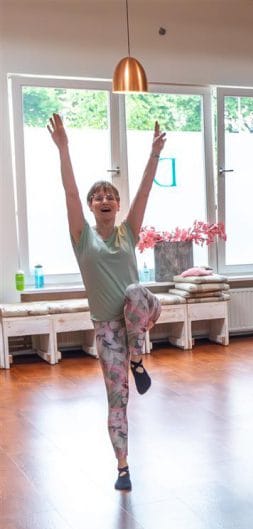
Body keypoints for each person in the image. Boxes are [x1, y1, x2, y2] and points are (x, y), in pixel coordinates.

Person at [48, 113, 165, 491]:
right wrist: (64, 148)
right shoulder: (82, 238)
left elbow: (145, 192)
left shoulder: (128, 232)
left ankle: (138, 359)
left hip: (143, 309)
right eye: (98, 197)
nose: (104, 200)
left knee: (133, 291)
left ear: (117, 205)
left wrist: (153, 156)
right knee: (117, 399)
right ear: (91, 205)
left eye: (110, 196)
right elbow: (69, 192)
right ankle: (123, 465)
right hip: (109, 331)